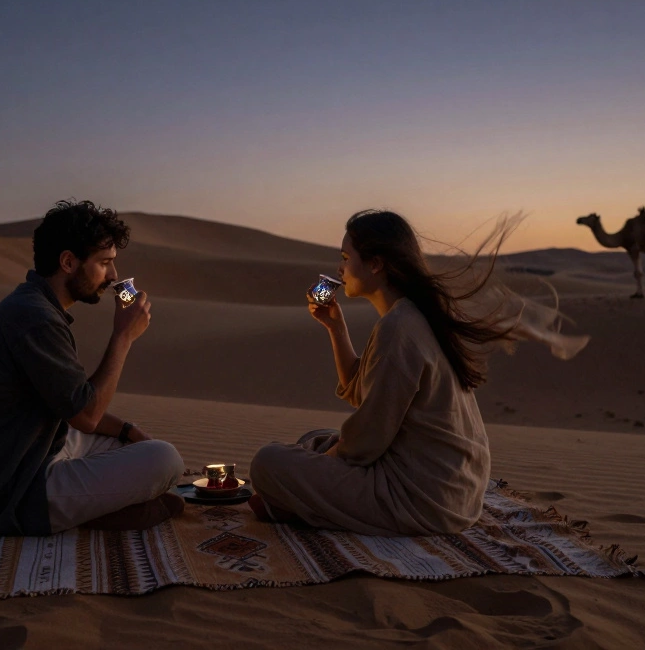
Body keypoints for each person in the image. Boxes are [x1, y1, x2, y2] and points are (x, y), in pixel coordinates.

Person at [248, 210, 585, 536]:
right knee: (315, 439)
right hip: (454, 491)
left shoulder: (399, 327)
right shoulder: (412, 316)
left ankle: (294, 505)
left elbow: (364, 443)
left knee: (268, 461)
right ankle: (296, 500)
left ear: (376, 263)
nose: (340, 268)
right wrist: (336, 329)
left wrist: (316, 466)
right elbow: (361, 393)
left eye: (346, 257)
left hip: (420, 500)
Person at [0, 200, 185, 536]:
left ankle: (95, 505)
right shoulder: (35, 319)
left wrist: (128, 431)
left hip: (34, 449)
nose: (113, 276)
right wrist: (123, 336)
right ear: (69, 262)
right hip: (5, 489)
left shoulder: (35, 305)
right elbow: (85, 416)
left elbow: (70, 405)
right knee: (165, 460)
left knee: (136, 449)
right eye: (104, 264)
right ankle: (80, 515)